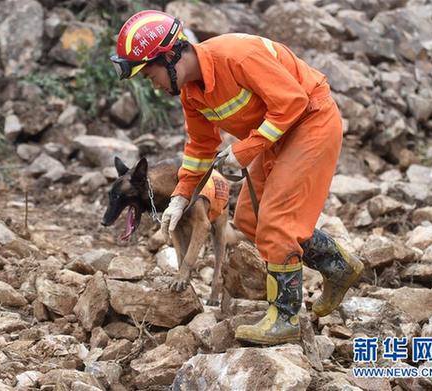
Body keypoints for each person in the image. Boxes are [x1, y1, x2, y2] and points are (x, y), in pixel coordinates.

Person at [110, 10, 364, 345]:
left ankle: (284, 316)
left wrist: (246, 149)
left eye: (149, 74)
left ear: (170, 55)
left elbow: (293, 102)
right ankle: (338, 266)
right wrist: (181, 196)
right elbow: (201, 146)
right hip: (275, 136)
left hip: (310, 122)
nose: (153, 85)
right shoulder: (191, 93)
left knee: (277, 222)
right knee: (250, 218)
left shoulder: (237, 56)